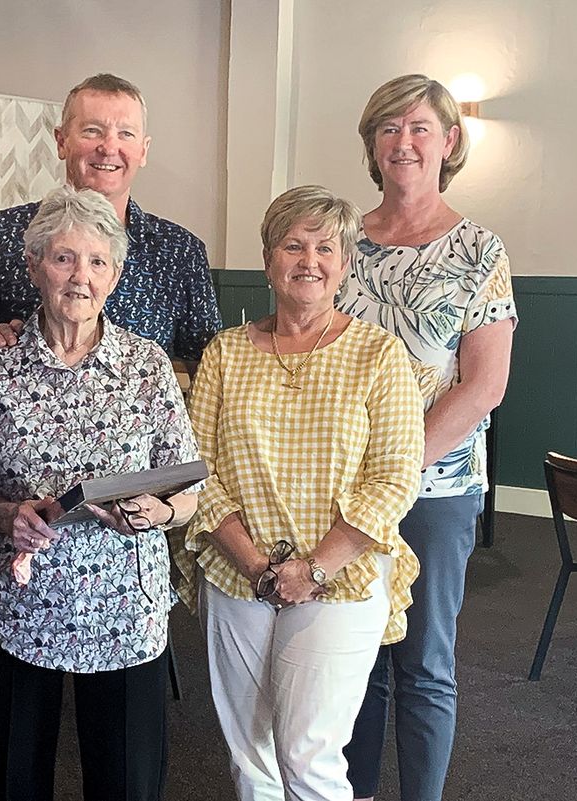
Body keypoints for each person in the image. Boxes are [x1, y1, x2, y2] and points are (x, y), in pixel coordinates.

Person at [0, 185, 201, 801]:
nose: (79, 276)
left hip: (126, 611)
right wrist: (7, 514)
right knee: (14, 782)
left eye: (96, 261)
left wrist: (161, 511)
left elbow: (190, 484)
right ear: (34, 266)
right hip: (21, 606)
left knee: (126, 785)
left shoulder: (146, 365)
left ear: (115, 274)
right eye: (63, 258)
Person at [179, 185, 424, 801]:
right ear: (268, 260)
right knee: (250, 754)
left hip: (340, 576)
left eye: (324, 248)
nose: (307, 261)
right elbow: (198, 472)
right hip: (239, 574)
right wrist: (258, 565)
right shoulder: (226, 353)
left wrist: (312, 568)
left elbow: (395, 477)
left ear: (344, 263)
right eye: (292, 245)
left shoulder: (379, 354)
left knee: (308, 753)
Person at [339, 74, 517, 801]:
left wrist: (396, 468)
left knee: (422, 662)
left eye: (419, 128)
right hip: (340, 485)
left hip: (434, 490)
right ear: (371, 145)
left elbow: (483, 385)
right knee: (355, 655)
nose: (403, 141)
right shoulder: (341, 244)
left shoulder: (479, 249)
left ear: (449, 142)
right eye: (388, 128)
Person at [0, 73, 221, 361]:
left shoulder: (180, 253)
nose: (108, 148)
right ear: (61, 141)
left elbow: (206, 364)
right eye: (93, 131)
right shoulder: (2, 234)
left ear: (143, 151)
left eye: (126, 134)